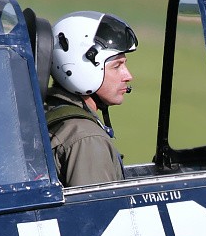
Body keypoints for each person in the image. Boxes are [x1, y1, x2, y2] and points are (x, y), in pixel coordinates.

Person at [45, 11, 138, 187]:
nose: (128, 76)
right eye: (117, 66)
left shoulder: (50, 110)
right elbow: (99, 205)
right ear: (81, 69)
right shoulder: (87, 139)